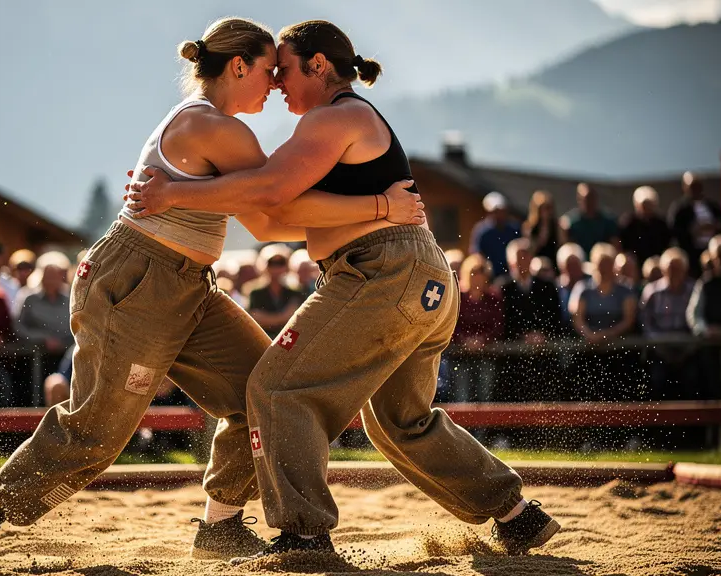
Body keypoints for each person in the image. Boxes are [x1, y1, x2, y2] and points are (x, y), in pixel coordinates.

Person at [0, 16, 424, 570]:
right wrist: (380, 208)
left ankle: (219, 529)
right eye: (269, 71)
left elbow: (269, 222)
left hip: (184, 283)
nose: (273, 84)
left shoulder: (213, 123)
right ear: (238, 66)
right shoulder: (216, 128)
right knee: (97, 432)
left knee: (260, 393)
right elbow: (275, 208)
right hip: (141, 279)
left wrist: (369, 214)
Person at [127, 19, 560, 561]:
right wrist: (378, 206)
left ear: (319, 66)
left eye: (284, 70)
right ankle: (517, 517)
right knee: (403, 424)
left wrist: (176, 190)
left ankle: (304, 535)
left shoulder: (336, 117)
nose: (279, 82)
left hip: (384, 273)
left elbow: (271, 192)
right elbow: (271, 222)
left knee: (277, 387)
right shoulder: (341, 121)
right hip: (416, 277)